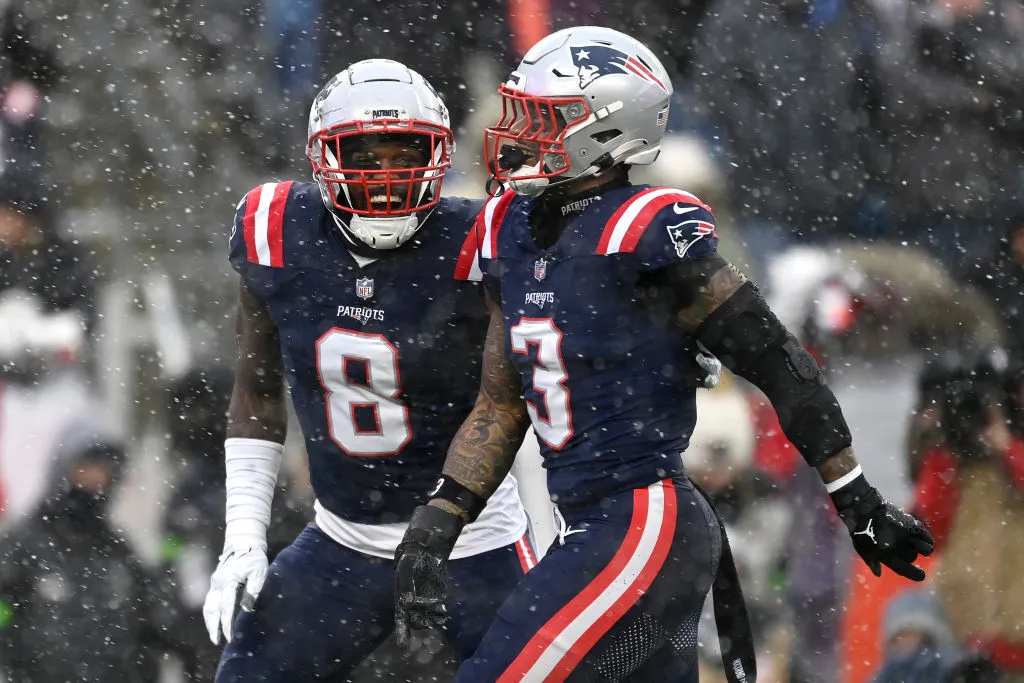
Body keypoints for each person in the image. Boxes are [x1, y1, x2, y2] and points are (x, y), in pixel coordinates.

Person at [393, 25, 936, 683]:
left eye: (541, 117)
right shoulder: (508, 229)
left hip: (642, 521)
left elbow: (778, 362)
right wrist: (442, 514)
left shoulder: (648, 230)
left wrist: (856, 497)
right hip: (597, 525)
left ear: (604, 130)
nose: (517, 130)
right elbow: (501, 401)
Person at [204, 58, 721, 681]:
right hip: (339, 544)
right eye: (367, 155)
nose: (388, 178)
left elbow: (581, 291)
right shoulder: (274, 228)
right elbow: (256, 391)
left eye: (407, 155)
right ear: (322, 158)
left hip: (473, 546)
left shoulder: (482, 235)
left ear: (440, 156)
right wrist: (244, 538)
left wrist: (664, 331)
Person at [0, 419, 183, 682]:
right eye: (84, 470)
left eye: (102, 474)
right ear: (62, 471)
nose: (93, 482)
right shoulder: (23, 544)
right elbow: (3, 611)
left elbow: (151, 627)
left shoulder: (118, 552)